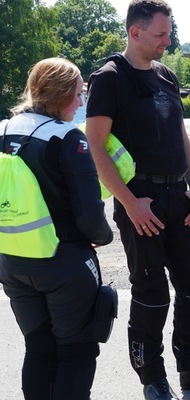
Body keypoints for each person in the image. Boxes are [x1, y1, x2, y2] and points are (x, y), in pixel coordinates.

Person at [84, 1, 190, 399]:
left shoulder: (166, 76)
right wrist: (130, 202)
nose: (167, 42)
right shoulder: (109, 78)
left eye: (169, 33)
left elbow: (180, 136)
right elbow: (96, 147)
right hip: (141, 202)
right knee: (152, 294)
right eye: (160, 35)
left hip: (179, 197)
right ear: (135, 33)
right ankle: (152, 377)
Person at [0, 57, 113, 399]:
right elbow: (89, 214)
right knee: (77, 352)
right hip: (63, 260)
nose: (81, 102)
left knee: (38, 347)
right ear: (62, 93)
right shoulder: (67, 138)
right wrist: (102, 237)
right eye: (79, 94)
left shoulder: (4, 129)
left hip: (12, 259)